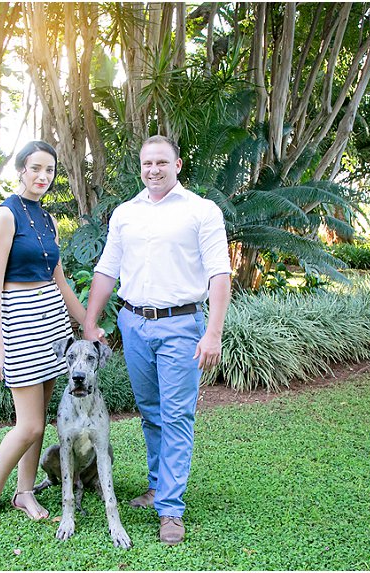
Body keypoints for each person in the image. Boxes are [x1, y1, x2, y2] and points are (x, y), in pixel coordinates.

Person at [83, 135, 232, 545]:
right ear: (141, 166)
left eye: (162, 162)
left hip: (181, 326)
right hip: (133, 323)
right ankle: (157, 486)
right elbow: (106, 270)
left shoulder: (202, 211)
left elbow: (220, 273)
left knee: (177, 415)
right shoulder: (126, 213)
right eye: (147, 163)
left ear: (178, 164)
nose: (154, 170)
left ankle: (171, 509)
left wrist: (213, 333)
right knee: (150, 412)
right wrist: (90, 323)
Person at [0, 140, 86, 525]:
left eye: (50, 171)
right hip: (18, 318)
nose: (43, 177)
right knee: (30, 423)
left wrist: (86, 324)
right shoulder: (5, 215)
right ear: (21, 169)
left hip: (51, 318)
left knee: (41, 414)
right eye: (36, 168)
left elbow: (61, 280)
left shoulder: (48, 220)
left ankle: (25, 493)